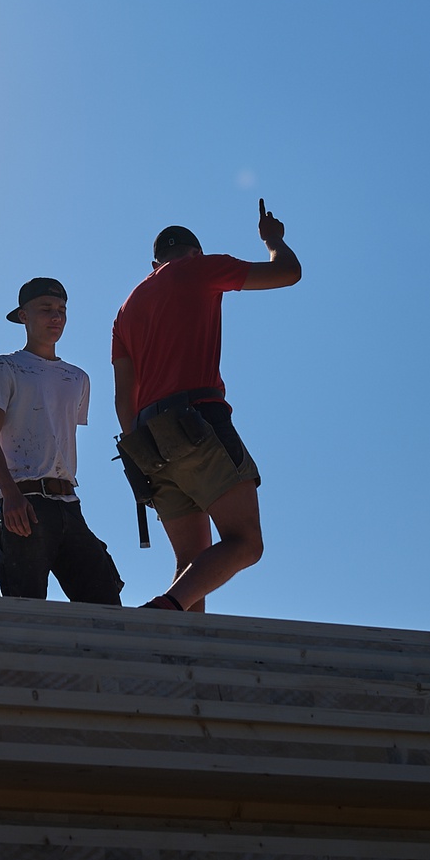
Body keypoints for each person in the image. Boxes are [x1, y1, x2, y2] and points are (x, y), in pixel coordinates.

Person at [112, 200, 301, 612]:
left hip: (147, 439)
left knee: (190, 565)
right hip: (196, 420)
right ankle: (163, 609)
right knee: (246, 542)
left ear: (154, 262)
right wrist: (274, 239)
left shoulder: (125, 310)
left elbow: (122, 396)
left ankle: (184, 659)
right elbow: (288, 273)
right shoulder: (199, 268)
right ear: (195, 253)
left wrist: (138, 452)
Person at [0, 277, 123, 605]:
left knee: (106, 605)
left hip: (70, 504)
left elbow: (58, 438)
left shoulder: (78, 377)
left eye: (61, 310)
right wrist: (10, 495)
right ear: (23, 316)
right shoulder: (5, 366)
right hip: (24, 503)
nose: (55, 317)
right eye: (45, 309)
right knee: (25, 611)